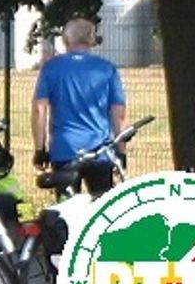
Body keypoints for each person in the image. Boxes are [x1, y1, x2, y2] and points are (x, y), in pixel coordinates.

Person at [31, 18, 127, 195]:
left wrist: (40, 148)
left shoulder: (51, 68)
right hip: (100, 150)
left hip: (64, 149)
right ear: (91, 39)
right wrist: (121, 150)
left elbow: (39, 110)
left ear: (66, 39)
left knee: (66, 210)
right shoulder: (107, 70)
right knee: (102, 209)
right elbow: (118, 114)